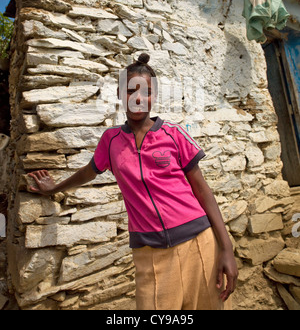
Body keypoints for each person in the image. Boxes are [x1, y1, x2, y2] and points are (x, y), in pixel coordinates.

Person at [28, 53, 238, 310]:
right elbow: (88, 172)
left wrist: (226, 248)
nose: (138, 98)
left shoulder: (174, 134)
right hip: (150, 255)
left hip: (200, 244)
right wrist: (54, 188)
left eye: (146, 92)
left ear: (155, 96)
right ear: (119, 93)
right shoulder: (111, 141)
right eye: (131, 90)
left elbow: (204, 192)